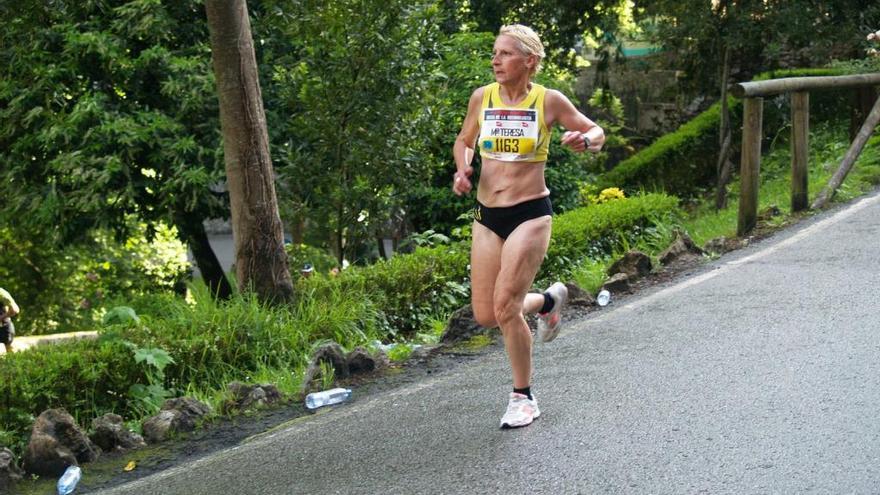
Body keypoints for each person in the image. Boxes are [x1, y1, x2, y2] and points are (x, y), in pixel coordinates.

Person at [452, 24, 605, 428]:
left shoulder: (548, 100)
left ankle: (524, 397)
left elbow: (596, 130)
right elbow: (464, 139)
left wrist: (586, 140)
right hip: (488, 216)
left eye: (504, 54)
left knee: (505, 306)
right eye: (494, 52)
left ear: (529, 61)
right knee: (487, 314)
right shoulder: (481, 98)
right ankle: (548, 303)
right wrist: (462, 168)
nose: (495, 60)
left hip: (530, 214)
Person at [0, 287, 20, 354]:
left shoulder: (1, 293)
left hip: (4, 327)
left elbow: (15, 310)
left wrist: (1, 317)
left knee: (11, 353)